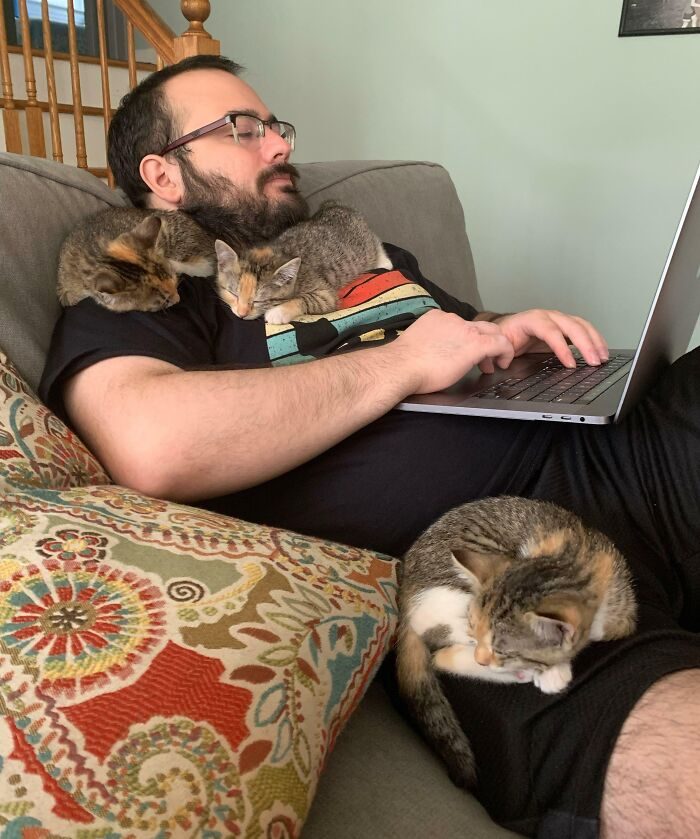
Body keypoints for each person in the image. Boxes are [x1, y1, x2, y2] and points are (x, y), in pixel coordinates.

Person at [39, 55, 700, 839]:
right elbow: (150, 440)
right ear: (163, 174)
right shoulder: (148, 278)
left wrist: (506, 332)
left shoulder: (352, 244)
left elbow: (455, 335)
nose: (279, 144)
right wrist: (403, 364)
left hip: (621, 452)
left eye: (274, 126)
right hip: (480, 561)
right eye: (242, 130)